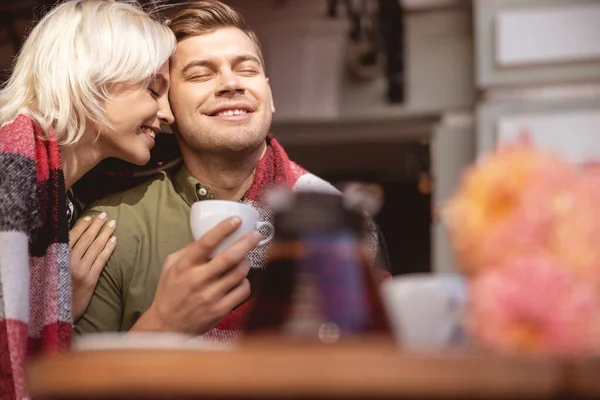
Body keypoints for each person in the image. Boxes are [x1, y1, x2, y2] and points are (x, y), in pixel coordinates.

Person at [75, 0, 391, 342]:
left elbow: (376, 365)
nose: (231, 83)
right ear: (166, 107)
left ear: (269, 95)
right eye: (200, 74)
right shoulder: (109, 227)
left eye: (247, 70)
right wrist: (163, 325)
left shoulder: (342, 223)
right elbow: (73, 385)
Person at [0, 0, 176, 397]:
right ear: (94, 78)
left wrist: (62, 300)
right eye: (153, 88)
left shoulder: (55, 191)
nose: (168, 114)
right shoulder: (10, 170)